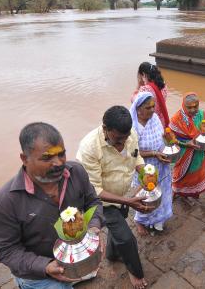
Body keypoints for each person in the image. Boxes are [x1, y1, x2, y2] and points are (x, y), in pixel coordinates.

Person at [0, 122, 104, 289]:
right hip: (39, 277)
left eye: (61, 154)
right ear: (24, 158)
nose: (58, 163)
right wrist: (45, 266)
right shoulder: (4, 201)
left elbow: (93, 202)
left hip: (76, 258)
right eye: (47, 157)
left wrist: (93, 230)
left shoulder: (76, 172)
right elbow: (6, 250)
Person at [76, 106, 148, 289]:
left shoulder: (130, 135)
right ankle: (135, 272)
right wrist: (129, 201)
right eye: (117, 139)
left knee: (117, 231)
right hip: (101, 202)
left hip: (123, 194)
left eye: (125, 138)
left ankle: (112, 255)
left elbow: (136, 156)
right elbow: (94, 190)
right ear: (105, 128)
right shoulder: (89, 147)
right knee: (126, 238)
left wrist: (144, 172)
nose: (121, 144)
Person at [130, 92, 173, 235]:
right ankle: (139, 220)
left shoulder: (154, 119)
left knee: (161, 193)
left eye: (153, 106)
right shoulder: (133, 127)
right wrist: (154, 154)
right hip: (144, 167)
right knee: (145, 197)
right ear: (138, 109)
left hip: (161, 164)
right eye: (148, 107)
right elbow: (132, 154)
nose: (152, 110)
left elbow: (160, 140)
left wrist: (168, 144)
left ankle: (157, 219)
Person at [169, 92, 205, 199]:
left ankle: (193, 192)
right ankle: (177, 191)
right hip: (183, 152)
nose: (193, 110)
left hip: (198, 151)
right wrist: (186, 144)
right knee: (180, 175)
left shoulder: (202, 114)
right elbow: (169, 139)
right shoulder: (176, 119)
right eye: (189, 107)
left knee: (197, 173)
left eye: (195, 106)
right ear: (183, 105)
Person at [135, 62, 170, 127]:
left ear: (143, 75)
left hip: (149, 122)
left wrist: (139, 85)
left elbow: (135, 102)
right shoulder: (163, 85)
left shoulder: (145, 89)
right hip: (161, 121)